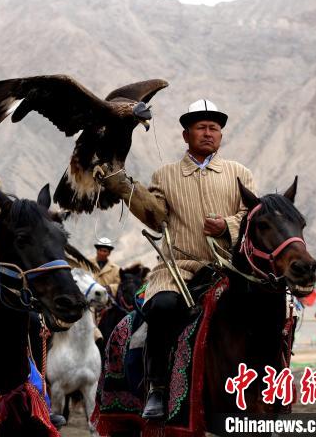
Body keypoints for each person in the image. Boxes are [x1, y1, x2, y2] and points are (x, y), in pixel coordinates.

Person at [103, 99, 255, 419]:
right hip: (179, 268)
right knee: (162, 307)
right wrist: (123, 186)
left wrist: (227, 226)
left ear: (221, 135)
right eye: (201, 127)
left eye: (214, 128)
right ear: (186, 135)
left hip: (229, 267)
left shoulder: (240, 173)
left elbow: (252, 216)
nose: (208, 133)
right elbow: (155, 217)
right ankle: (157, 388)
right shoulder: (165, 175)